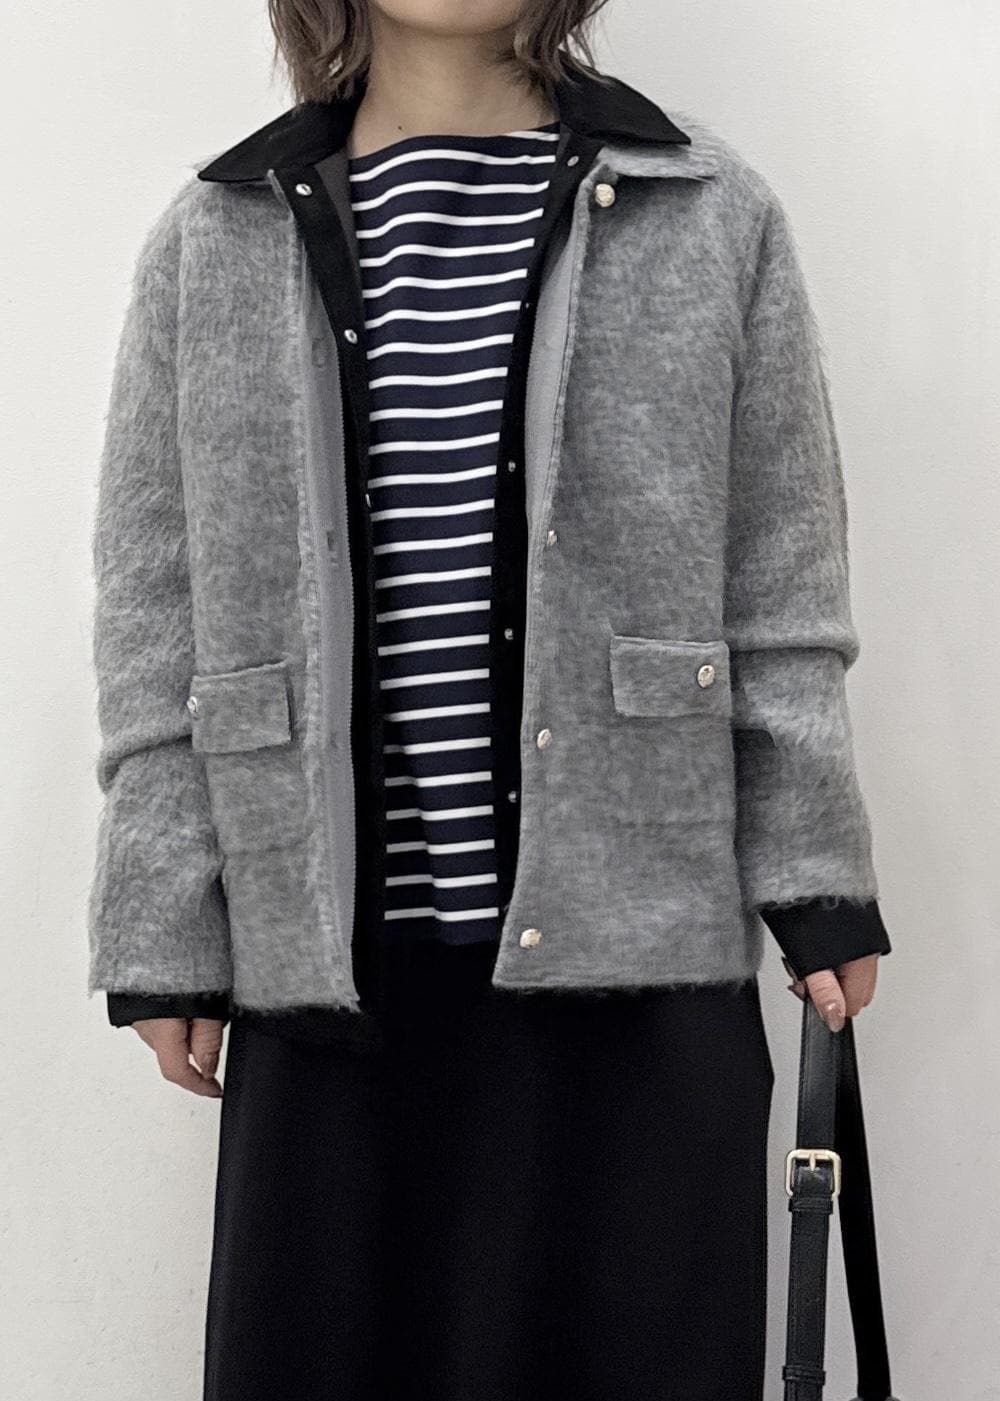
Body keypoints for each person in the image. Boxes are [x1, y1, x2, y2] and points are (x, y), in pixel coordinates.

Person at [87, 3, 892, 1398]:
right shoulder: (214, 239)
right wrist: (165, 921)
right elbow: (157, 613)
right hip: (334, 985)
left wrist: (815, 874)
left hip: (636, 976)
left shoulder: (709, 213)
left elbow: (781, 576)